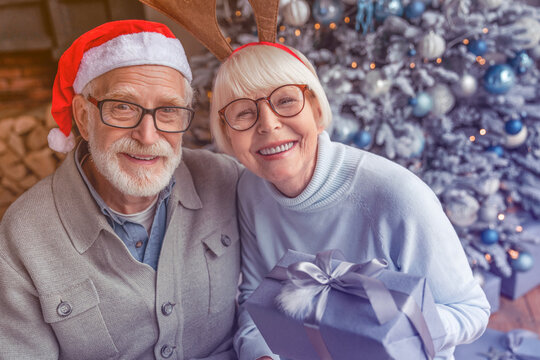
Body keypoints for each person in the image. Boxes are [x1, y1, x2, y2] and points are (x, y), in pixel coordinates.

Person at [209, 42, 490, 360]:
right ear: (227, 132)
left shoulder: (398, 197)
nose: (268, 124)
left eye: (286, 101)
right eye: (244, 113)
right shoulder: (251, 189)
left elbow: (470, 310)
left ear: (316, 110)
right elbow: (256, 297)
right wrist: (261, 355)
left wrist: (398, 331)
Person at [0, 20, 242, 359]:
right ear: (83, 117)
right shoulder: (23, 235)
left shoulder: (227, 180)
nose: (147, 135)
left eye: (169, 110)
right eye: (123, 107)